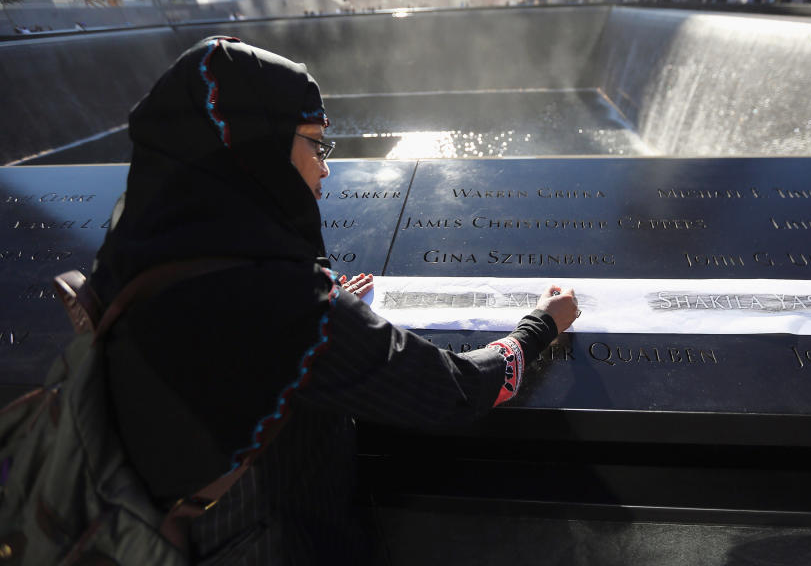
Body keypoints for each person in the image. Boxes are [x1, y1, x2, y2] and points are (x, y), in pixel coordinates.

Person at [91, 36, 580, 563]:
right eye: (315, 144)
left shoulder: (130, 247)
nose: (326, 168)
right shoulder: (288, 305)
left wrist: (329, 308)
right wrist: (539, 326)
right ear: (260, 145)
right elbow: (452, 393)